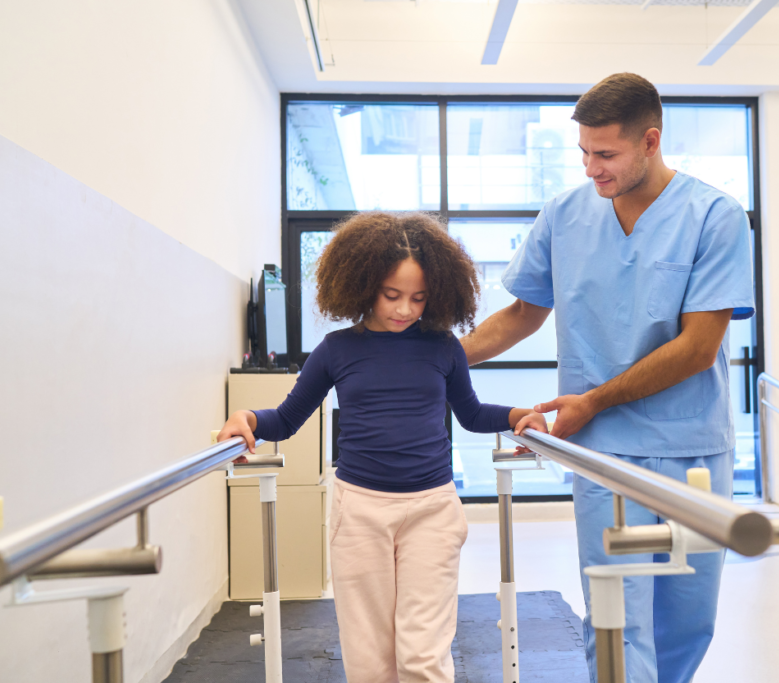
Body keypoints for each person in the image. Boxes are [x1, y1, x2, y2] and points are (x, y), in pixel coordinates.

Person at [460, 73, 755, 683]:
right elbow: (521, 313)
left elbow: (699, 348)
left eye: (606, 154)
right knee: (616, 620)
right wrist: (439, 358)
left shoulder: (714, 216)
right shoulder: (565, 215)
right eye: (584, 153)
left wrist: (593, 399)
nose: (592, 168)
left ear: (650, 141)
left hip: (690, 448)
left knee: (688, 617)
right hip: (603, 454)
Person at [218, 212, 548, 683]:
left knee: (421, 657)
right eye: (392, 295)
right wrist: (248, 419)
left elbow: (471, 414)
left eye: (418, 298)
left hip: (431, 509)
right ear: (364, 285)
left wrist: (517, 416)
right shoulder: (334, 350)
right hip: (360, 512)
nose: (405, 309)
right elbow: (288, 419)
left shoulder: (443, 348)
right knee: (370, 662)